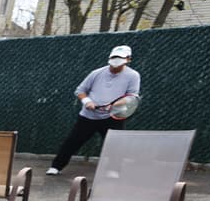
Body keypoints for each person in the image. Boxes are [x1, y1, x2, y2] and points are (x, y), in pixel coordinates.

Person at [46, 44, 141, 175]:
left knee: (116, 145)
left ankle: (113, 170)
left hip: (112, 117)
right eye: (114, 57)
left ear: (128, 59)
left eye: (120, 57)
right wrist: (87, 101)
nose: (116, 60)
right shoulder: (96, 73)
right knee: (72, 142)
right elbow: (80, 90)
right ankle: (56, 167)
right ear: (109, 57)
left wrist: (115, 105)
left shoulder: (133, 76)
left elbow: (132, 96)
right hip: (88, 116)